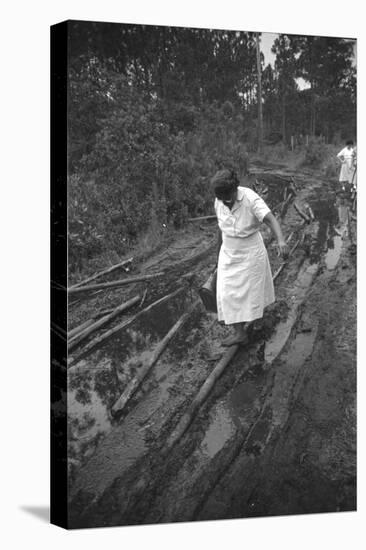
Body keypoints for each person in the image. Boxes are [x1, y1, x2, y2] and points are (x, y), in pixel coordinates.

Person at [212, 169, 288, 346]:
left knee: (253, 292)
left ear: (234, 189)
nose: (224, 200)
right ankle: (240, 334)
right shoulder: (219, 200)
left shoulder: (250, 198)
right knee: (228, 294)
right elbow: (220, 228)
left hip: (251, 252)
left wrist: (281, 241)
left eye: (227, 195)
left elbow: (270, 219)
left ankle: (257, 320)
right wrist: (218, 255)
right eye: (221, 197)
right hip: (228, 253)